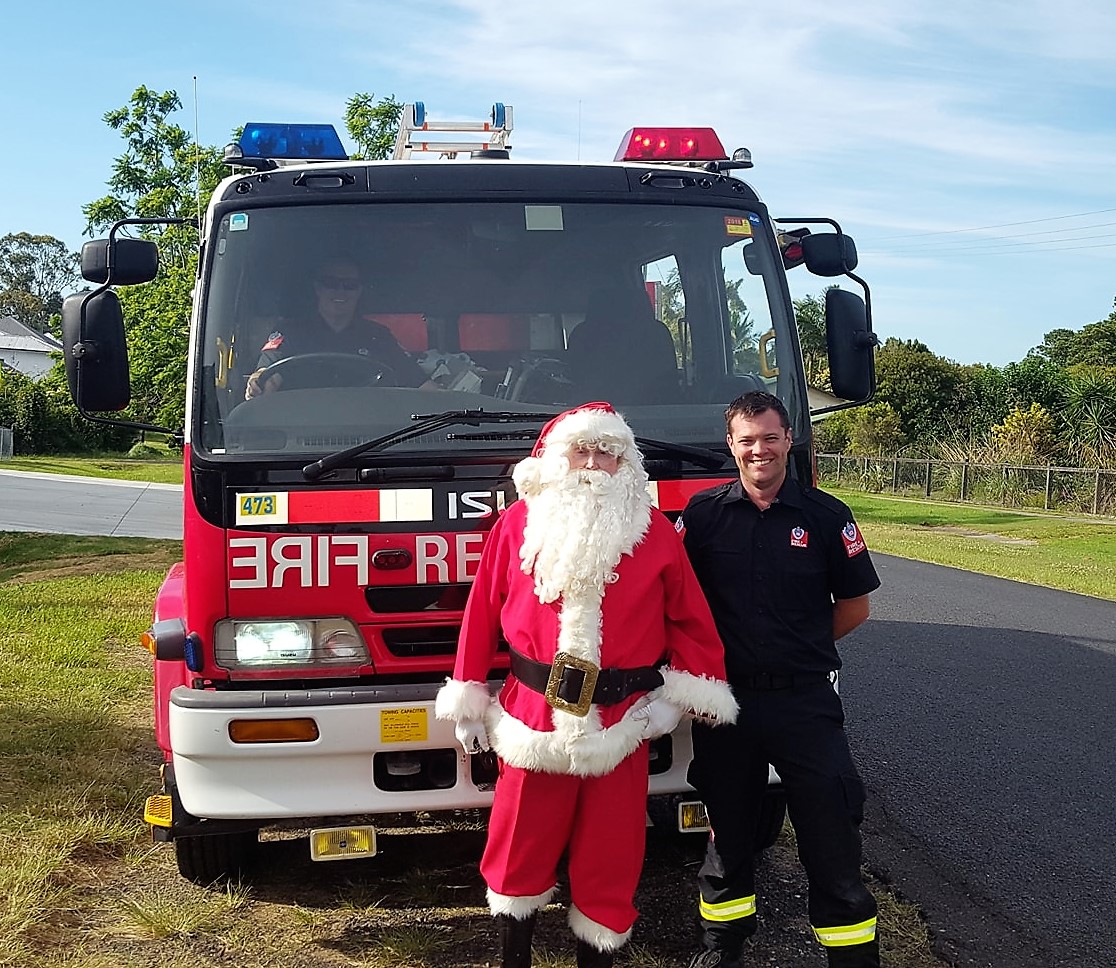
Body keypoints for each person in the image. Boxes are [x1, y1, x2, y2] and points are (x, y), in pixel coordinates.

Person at [435, 402, 738, 968]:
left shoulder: (656, 536)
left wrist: (678, 697)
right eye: (582, 449)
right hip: (530, 715)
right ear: (556, 458)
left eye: (607, 451)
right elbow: (481, 611)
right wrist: (470, 694)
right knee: (517, 847)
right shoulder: (516, 524)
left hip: (620, 722)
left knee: (611, 855)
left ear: (625, 462)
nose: (594, 462)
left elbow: (691, 619)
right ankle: (513, 959)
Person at [679, 390, 882, 968]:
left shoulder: (827, 515)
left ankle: (852, 956)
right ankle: (722, 949)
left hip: (805, 702)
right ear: (731, 446)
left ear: (789, 439)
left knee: (831, 829)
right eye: (747, 440)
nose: (759, 450)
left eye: (770, 437)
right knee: (727, 833)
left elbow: (854, 606)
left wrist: (801, 651)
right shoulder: (702, 516)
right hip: (727, 706)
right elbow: (678, 604)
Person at [244, 257, 427, 397]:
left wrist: (450, 406)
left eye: (349, 285)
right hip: (299, 432)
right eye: (331, 283)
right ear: (318, 288)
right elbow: (266, 375)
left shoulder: (378, 336)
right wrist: (258, 385)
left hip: (370, 433)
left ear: (359, 291)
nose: (340, 291)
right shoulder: (289, 333)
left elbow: (419, 383)